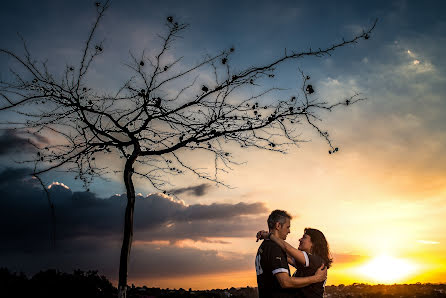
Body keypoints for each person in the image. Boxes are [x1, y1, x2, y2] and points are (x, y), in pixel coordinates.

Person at [256, 210, 327, 298]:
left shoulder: (316, 260)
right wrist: (314, 278)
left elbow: (287, 249)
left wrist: (269, 236)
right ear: (278, 225)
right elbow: (286, 255)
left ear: (314, 243)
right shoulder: (274, 248)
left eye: (304, 237)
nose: (289, 231)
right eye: (287, 227)